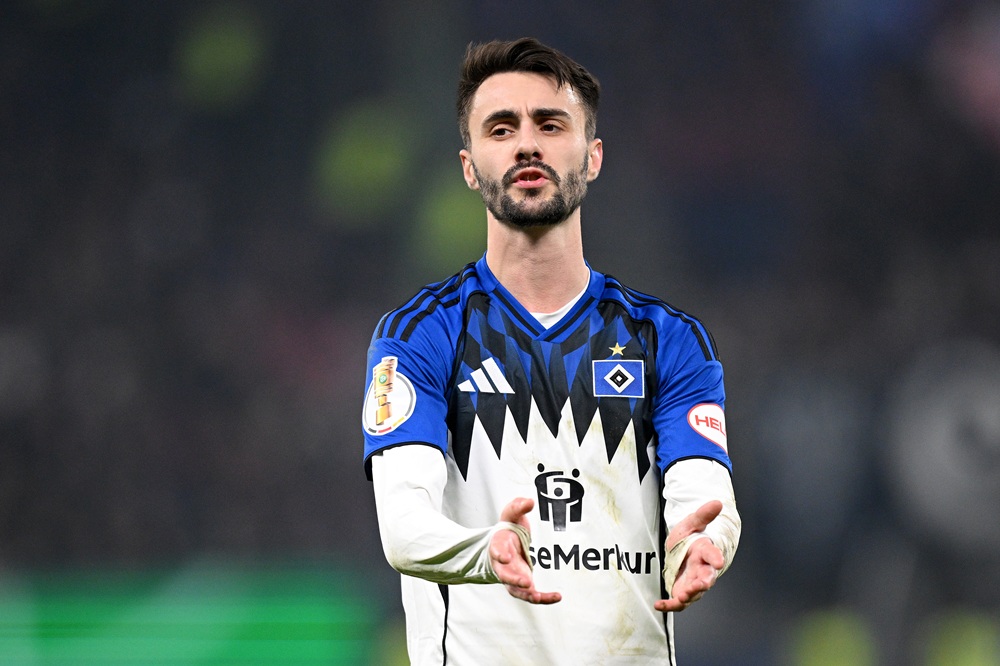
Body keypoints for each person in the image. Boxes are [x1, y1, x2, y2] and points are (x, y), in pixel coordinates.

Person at [361, 37, 741, 665]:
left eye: (550, 124)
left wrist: (705, 544)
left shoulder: (669, 340)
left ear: (592, 157)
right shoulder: (419, 336)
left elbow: (703, 497)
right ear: (469, 166)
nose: (526, 144)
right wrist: (484, 553)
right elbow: (403, 527)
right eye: (501, 128)